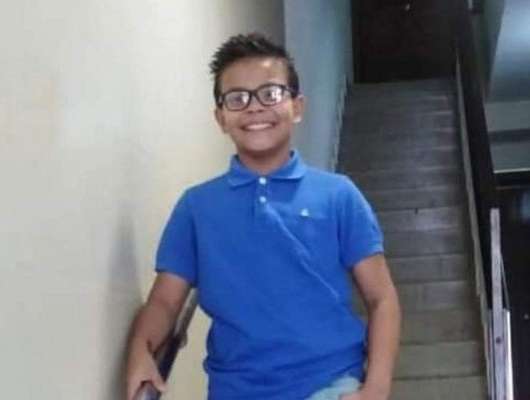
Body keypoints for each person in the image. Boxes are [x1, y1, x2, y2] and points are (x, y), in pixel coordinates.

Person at [124, 33, 401, 400]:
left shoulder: (338, 195)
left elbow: (382, 298)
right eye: (237, 98)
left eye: (270, 93)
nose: (254, 108)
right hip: (235, 390)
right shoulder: (196, 207)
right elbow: (164, 302)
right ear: (221, 118)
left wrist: (376, 388)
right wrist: (140, 352)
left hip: (330, 383)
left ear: (297, 107)